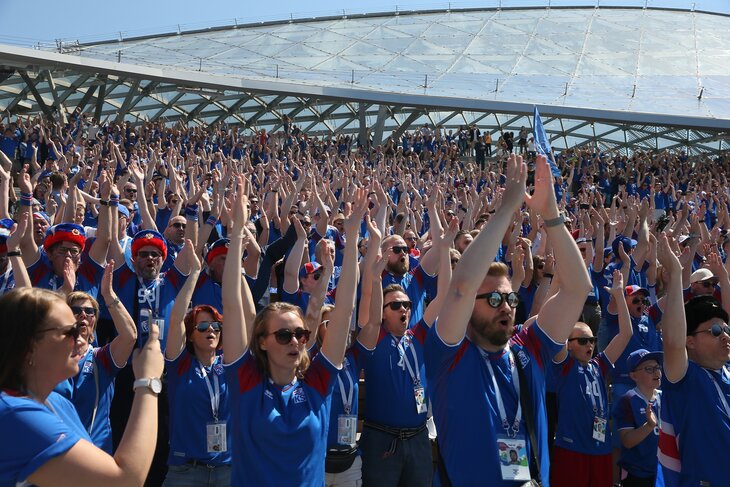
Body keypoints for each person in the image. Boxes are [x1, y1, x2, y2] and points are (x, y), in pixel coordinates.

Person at [425, 154, 592, 486]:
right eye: (494, 299)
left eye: (511, 299)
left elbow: (577, 289)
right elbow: (461, 287)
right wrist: (505, 211)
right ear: (469, 308)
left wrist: (551, 215)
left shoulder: (528, 347)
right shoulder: (448, 354)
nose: (506, 307)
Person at [222, 178, 364, 486]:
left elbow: (344, 311)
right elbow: (232, 306)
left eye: (301, 335)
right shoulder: (246, 380)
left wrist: (352, 240)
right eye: (284, 335)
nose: (296, 342)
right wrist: (237, 233)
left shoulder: (317, 381)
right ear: (262, 342)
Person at [0, 287, 163, 486]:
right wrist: (148, 380)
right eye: (70, 331)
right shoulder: (15, 413)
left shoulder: (58, 403)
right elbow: (125, 480)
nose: (79, 337)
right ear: (30, 345)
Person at [656, 233, 730, 487]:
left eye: (727, 330)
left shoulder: (726, 372)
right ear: (690, 342)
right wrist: (677, 275)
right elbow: (673, 342)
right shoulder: (686, 377)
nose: (725, 336)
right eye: (716, 331)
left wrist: (724, 279)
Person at [550, 270, 633, 487]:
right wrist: (567, 291)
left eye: (592, 340)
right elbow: (554, 327)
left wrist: (619, 295)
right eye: (583, 340)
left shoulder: (599, 365)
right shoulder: (564, 365)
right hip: (571, 450)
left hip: (600, 449)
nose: (590, 344)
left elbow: (626, 334)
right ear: (568, 344)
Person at [163, 240, 232, 486]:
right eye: (202, 326)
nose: (210, 330)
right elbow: (175, 320)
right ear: (191, 334)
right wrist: (194, 273)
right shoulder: (180, 365)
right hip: (186, 472)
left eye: (215, 326)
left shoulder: (230, 365)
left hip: (227, 471)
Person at [54, 263, 137, 453]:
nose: (83, 314)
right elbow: (34, 324)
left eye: (89, 311)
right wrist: (65, 290)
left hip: (94, 454)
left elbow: (129, 336)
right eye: (76, 310)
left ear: (95, 320)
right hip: (57, 454)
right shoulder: (49, 356)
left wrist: (108, 294)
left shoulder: (101, 358)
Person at [614, 349, 663, 487]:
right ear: (634, 376)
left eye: (657, 367)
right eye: (649, 369)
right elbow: (627, 441)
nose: (656, 372)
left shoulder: (665, 398)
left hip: (661, 472)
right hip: (637, 474)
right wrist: (649, 426)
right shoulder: (627, 400)